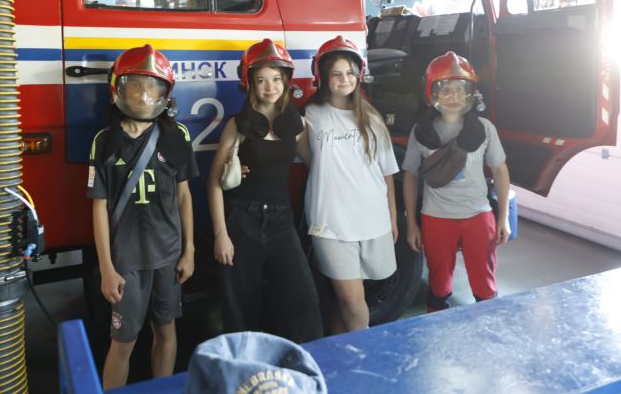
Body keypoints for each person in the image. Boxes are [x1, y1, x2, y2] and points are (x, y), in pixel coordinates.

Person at [87, 44, 197, 388]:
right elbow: (99, 207)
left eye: (152, 86)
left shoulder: (176, 135)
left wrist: (189, 250)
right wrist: (107, 268)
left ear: (164, 93)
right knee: (123, 342)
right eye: (136, 85)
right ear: (118, 89)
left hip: (168, 254)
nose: (144, 94)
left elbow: (184, 196)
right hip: (125, 262)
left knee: (166, 330)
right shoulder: (105, 141)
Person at [207, 39, 322, 343]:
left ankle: (305, 365)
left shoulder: (297, 124)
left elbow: (317, 166)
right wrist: (221, 235)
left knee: (303, 301)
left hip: (282, 221)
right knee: (240, 309)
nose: (270, 87)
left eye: (276, 79)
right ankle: (242, 367)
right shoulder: (238, 125)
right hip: (241, 220)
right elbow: (214, 183)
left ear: (286, 81)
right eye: (261, 80)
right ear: (250, 83)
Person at [402, 51, 510, 312]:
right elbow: (410, 174)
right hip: (436, 216)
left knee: (484, 285)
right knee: (438, 286)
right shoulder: (422, 132)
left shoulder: (484, 128)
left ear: (470, 93)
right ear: (433, 93)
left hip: (478, 215)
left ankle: (488, 328)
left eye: (460, 89)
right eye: (446, 89)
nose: (454, 96)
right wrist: (412, 224)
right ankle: (438, 328)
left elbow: (500, 170)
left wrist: (503, 217)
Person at [304, 36, 399, 333]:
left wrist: (393, 219)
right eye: (336, 73)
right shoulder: (310, 115)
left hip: (373, 220)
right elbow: (294, 155)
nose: (344, 79)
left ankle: (336, 355)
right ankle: (362, 361)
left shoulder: (372, 118)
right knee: (352, 303)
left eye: (349, 73)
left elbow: (387, 174)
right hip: (330, 224)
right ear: (323, 77)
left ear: (359, 75)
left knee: (347, 305)